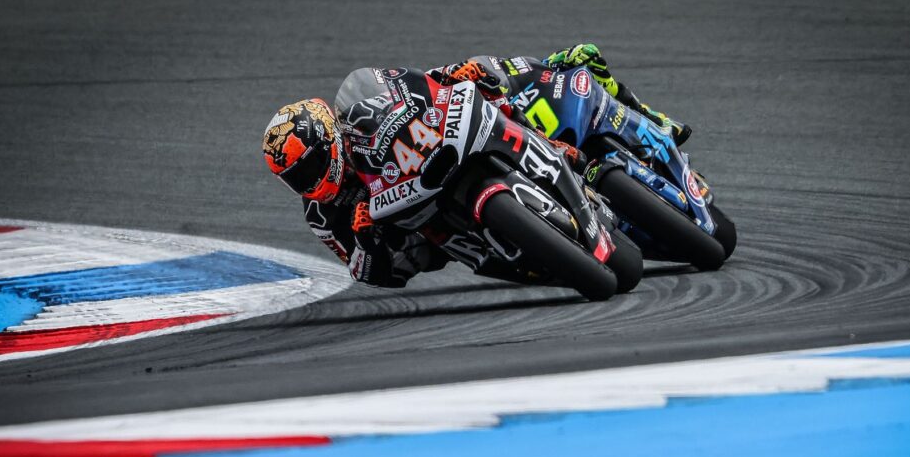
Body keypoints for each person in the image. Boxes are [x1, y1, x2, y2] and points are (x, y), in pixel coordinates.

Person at [261, 43, 685, 288]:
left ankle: (576, 137)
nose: (309, 181)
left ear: (331, 137)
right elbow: (367, 274)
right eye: (295, 178)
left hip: (438, 160)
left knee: (499, 82)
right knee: (425, 248)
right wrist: (367, 239)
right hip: (427, 234)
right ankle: (529, 249)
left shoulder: (360, 115)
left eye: (311, 166)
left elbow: (413, 89)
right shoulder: (322, 214)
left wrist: (454, 75)